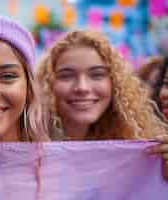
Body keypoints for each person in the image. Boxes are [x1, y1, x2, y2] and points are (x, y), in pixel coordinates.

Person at [36, 30, 168, 179]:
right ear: (47, 84)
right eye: (66, 76)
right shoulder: (26, 149)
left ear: (115, 84)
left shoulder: (145, 152)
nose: (82, 87)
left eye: (97, 75)